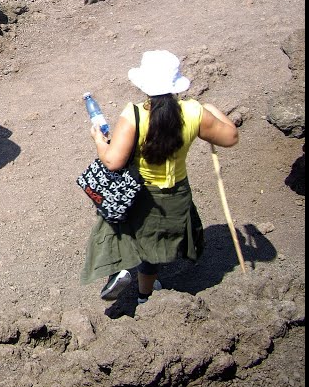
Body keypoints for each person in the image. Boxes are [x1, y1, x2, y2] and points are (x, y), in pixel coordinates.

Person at [81, 50, 239, 304]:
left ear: (144, 85)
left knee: (117, 221)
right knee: (155, 246)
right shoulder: (194, 112)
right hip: (175, 193)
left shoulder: (134, 115)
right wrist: (211, 108)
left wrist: (99, 141)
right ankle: (145, 296)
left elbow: (112, 161)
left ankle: (119, 268)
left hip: (139, 191)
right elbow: (230, 137)